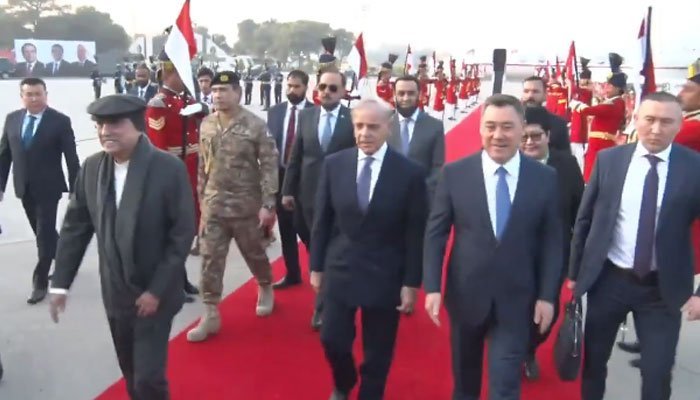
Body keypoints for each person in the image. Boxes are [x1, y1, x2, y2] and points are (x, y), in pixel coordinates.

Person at [49, 94, 195, 400]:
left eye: (114, 123)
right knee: (130, 372)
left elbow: (181, 235)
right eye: (100, 124)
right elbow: (75, 228)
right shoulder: (92, 168)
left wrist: (156, 290)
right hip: (116, 293)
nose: (105, 131)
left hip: (155, 291)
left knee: (148, 379)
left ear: (138, 126)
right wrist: (60, 283)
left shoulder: (167, 168)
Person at [423, 94, 562, 400]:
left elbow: (553, 242)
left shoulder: (545, 178)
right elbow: (436, 233)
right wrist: (431, 286)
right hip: (466, 295)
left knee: (505, 385)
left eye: (507, 127)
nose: (498, 135)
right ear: (480, 129)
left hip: (517, 299)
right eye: (490, 126)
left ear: (522, 127)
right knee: (465, 385)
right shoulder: (455, 173)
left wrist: (547, 296)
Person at [569, 92, 700, 400]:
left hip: (662, 290)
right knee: (594, 364)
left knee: (657, 373)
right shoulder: (610, 160)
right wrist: (575, 273)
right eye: (649, 119)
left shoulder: (694, 167)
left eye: (666, 122)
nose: (656, 129)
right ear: (635, 120)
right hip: (609, 282)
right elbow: (585, 218)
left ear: (680, 124)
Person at [311, 99, 427, 400]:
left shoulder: (410, 173)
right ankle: (344, 381)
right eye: (359, 126)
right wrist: (316, 266)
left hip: (386, 273)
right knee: (332, 339)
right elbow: (322, 220)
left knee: (378, 350)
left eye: (373, 127)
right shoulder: (335, 164)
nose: (365, 133)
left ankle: (370, 393)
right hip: (341, 268)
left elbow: (415, 233)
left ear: (388, 127)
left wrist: (411, 283)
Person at [187, 71, 278, 342]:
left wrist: (268, 203)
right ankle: (210, 313)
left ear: (237, 92)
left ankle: (265, 285)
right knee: (210, 259)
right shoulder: (206, 124)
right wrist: (202, 200)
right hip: (214, 205)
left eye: (224, 91)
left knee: (254, 253)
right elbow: (203, 165)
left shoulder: (255, 125)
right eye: (215, 91)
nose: (218, 95)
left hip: (245, 206)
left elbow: (269, 166)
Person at [281, 69, 356, 330]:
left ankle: (323, 307)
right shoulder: (307, 116)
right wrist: (287, 190)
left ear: (343, 91)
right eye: (322, 87)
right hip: (308, 196)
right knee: (316, 249)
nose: (326, 92)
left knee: (331, 252)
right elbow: (295, 156)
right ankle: (326, 294)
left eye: (333, 88)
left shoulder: (353, 119)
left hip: (340, 198)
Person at [0, 77, 80, 304]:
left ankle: (40, 281)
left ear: (46, 94)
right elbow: (4, 155)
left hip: (49, 188)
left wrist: (76, 188)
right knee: (41, 231)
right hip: (24, 187)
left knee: (43, 236)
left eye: (38, 94)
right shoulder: (12, 119)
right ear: (22, 96)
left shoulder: (60, 121)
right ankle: (66, 258)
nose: (34, 98)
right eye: (29, 94)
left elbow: (71, 157)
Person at [520, 105, 584, 380]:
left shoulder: (566, 165)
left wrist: (579, 259)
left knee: (548, 310)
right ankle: (513, 349)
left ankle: (529, 349)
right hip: (513, 252)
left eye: (536, 136)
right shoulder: (506, 161)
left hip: (554, 254)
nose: (529, 142)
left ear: (548, 135)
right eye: (523, 137)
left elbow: (581, 213)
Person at [145, 50, 203, 298]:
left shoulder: (186, 100)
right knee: (172, 231)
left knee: (187, 227)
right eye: (181, 73)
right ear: (168, 74)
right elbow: (158, 145)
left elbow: (201, 120)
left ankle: (181, 277)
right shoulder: (158, 104)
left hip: (192, 170)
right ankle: (172, 282)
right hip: (172, 171)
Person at [267, 69, 315, 289]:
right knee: (286, 229)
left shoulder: (314, 112)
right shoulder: (275, 111)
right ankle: (292, 273)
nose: (291, 90)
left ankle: (319, 272)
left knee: (306, 229)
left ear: (305, 87)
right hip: (280, 176)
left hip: (305, 179)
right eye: (289, 86)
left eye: (296, 87)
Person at [569, 52, 627, 182]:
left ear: (618, 89)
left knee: (595, 176)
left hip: (602, 145)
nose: (606, 88)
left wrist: (575, 104)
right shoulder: (612, 101)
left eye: (610, 86)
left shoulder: (616, 103)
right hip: (597, 144)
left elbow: (589, 110)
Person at [387, 75, 445, 204]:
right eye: (401, 93)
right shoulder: (382, 123)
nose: (406, 98)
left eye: (411, 93)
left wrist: (421, 191)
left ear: (419, 94)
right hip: (387, 199)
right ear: (394, 94)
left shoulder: (435, 126)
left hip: (421, 200)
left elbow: (437, 166)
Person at [521, 75, 571, 154]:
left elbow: (565, 156)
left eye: (535, 91)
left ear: (545, 95)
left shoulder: (558, 124)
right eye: (526, 91)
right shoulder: (510, 121)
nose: (530, 96)